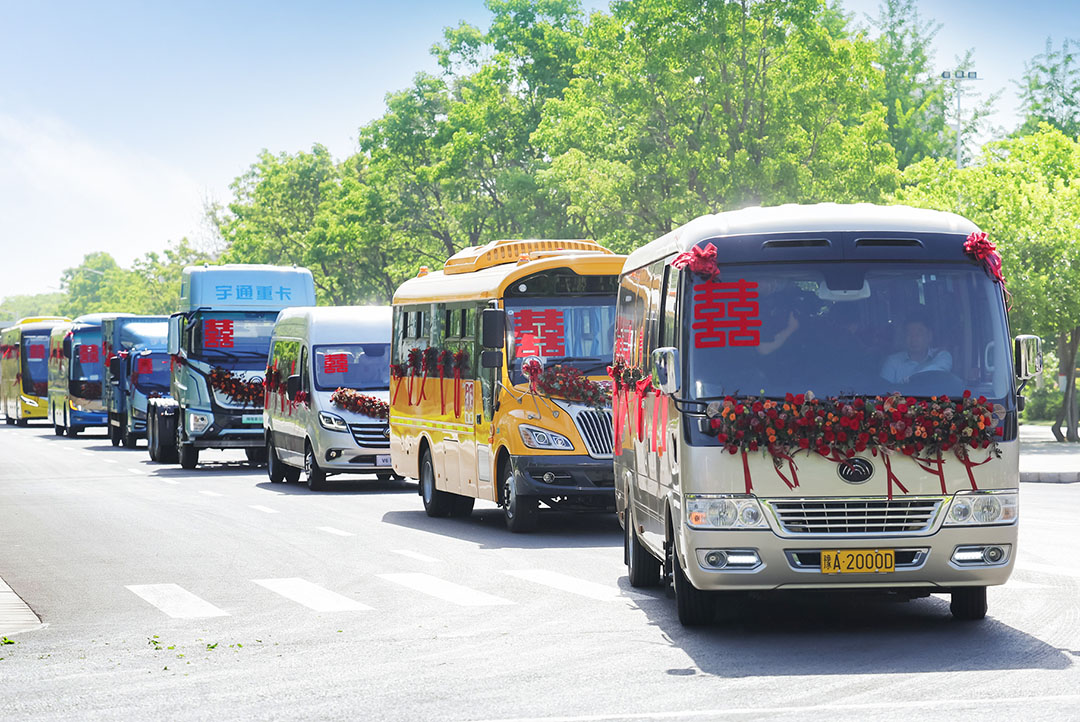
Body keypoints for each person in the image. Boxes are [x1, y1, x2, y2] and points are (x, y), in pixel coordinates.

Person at [881, 314, 952, 383]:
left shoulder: (940, 355)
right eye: (909, 334)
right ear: (904, 337)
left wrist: (907, 381)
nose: (914, 339)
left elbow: (939, 370)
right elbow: (884, 391)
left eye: (919, 334)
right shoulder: (893, 362)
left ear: (929, 336)